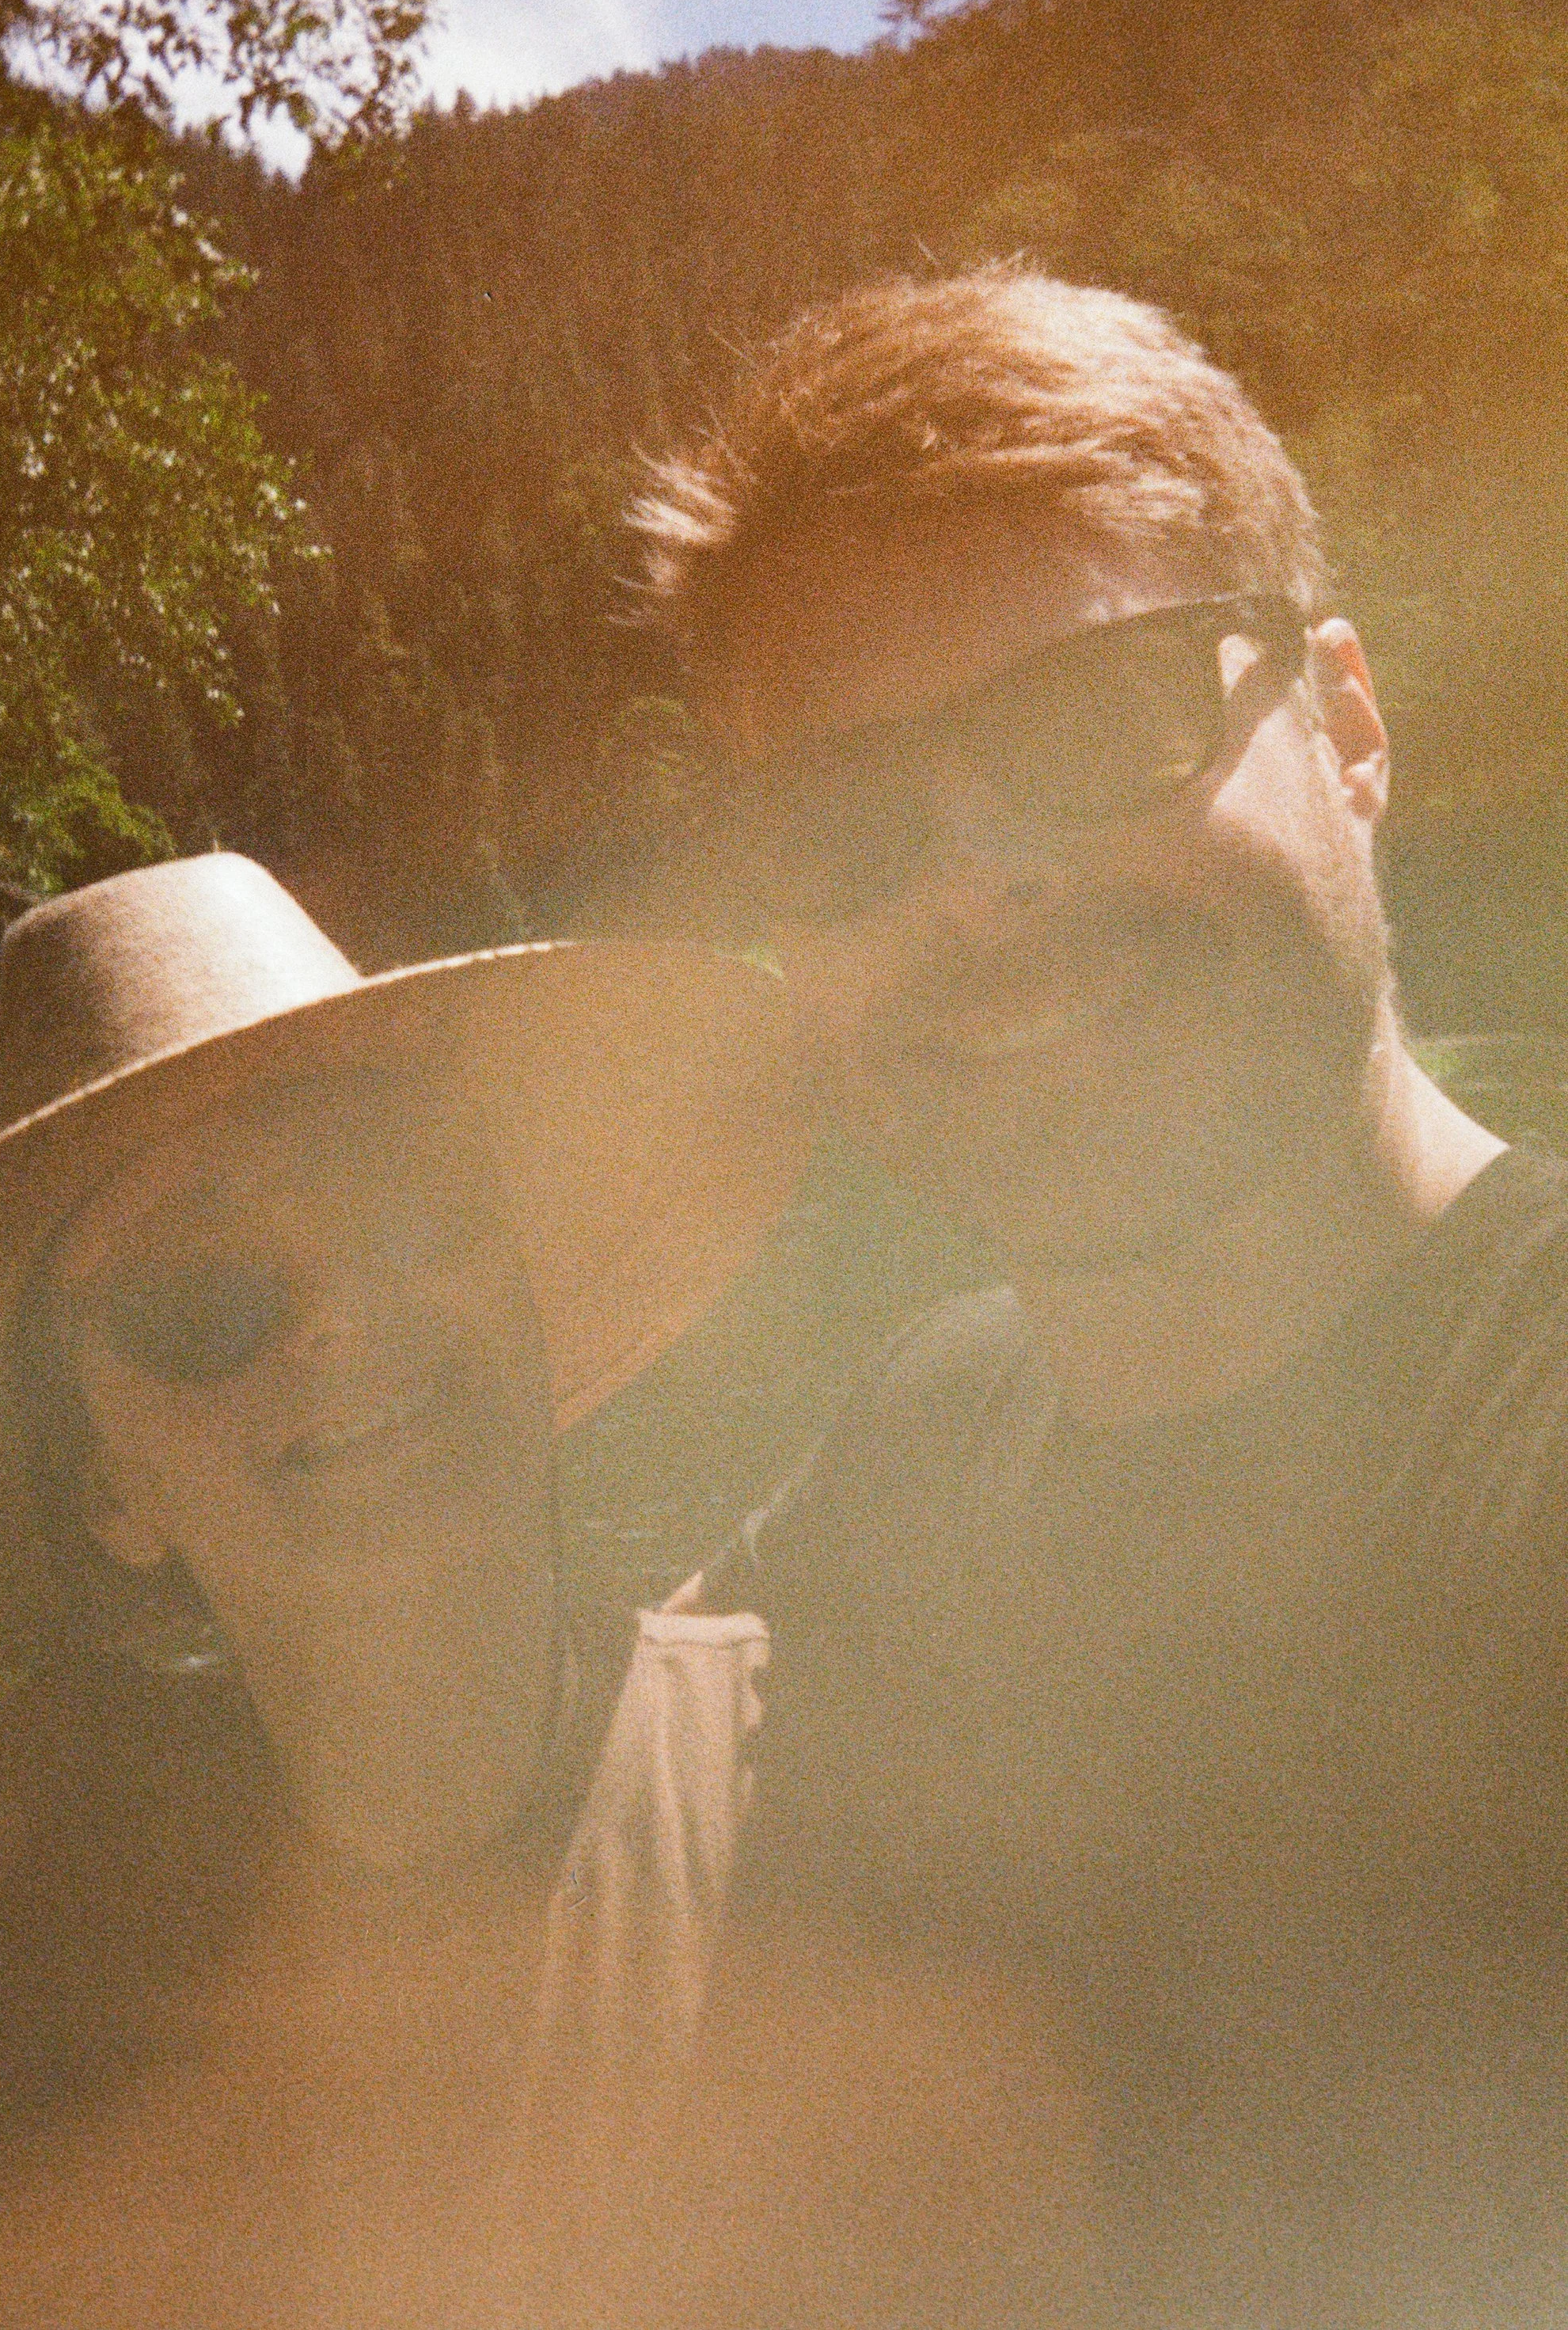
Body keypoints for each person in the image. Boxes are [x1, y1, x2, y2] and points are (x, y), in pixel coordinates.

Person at [628, 266, 1568, 2325]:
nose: (977, 882)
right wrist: (80, 1784)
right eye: (845, 821)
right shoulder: (925, 1435)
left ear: (1343, 725)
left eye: (1089, 722)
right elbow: (618, 1674)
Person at [0, 851, 807, 2327]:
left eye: (402, 1202)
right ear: (109, 1490)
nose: (341, 1324)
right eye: (205, 1298)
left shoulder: (827, 1763)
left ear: (515, 1266)